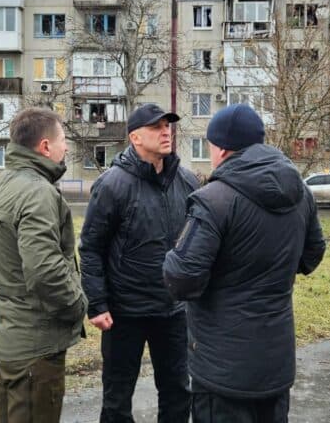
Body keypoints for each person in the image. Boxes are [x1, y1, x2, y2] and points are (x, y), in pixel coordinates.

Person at [163, 105, 326, 423]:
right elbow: (312, 255)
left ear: (221, 148)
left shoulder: (213, 199)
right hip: (275, 364)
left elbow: (181, 278)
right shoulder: (300, 193)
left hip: (223, 370)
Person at [81, 103, 198, 423]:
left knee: (177, 392)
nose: (166, 132)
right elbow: (91, 248)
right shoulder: (112, 185)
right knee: (117, 398)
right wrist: (98, 303)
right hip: (124, 312)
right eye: (156, 127)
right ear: (134, 137)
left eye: (168, 126)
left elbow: (196, 245)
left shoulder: (187, 182)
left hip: (173, 311)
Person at [0, 107, 87, 423]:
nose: (65, 147)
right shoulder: (37, 192)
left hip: (12, 335)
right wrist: (77, 305)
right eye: (63, 140)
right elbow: (45, 272)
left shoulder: (5, 183)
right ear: (44, 147)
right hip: (35, 344)